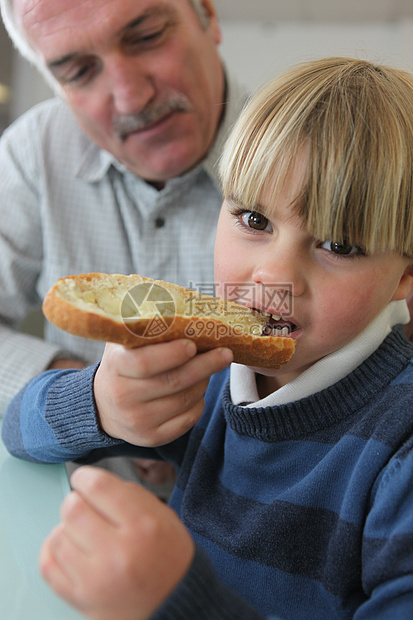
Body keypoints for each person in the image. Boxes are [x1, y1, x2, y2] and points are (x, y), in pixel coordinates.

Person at [4, 56, 413, 619]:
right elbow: (18, 431)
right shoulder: (207, 370)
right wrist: (103, 403)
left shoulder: (400, 452)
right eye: (253, 220)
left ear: (406, 275)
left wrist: (177, 598)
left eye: (338, 246)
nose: (274, 276)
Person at [0, 0, 246, 492]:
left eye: (147, 36)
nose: (131, 98)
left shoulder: (309, 161)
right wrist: (87, 392)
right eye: (78, 72)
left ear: (208, 15)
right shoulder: (33, 156)